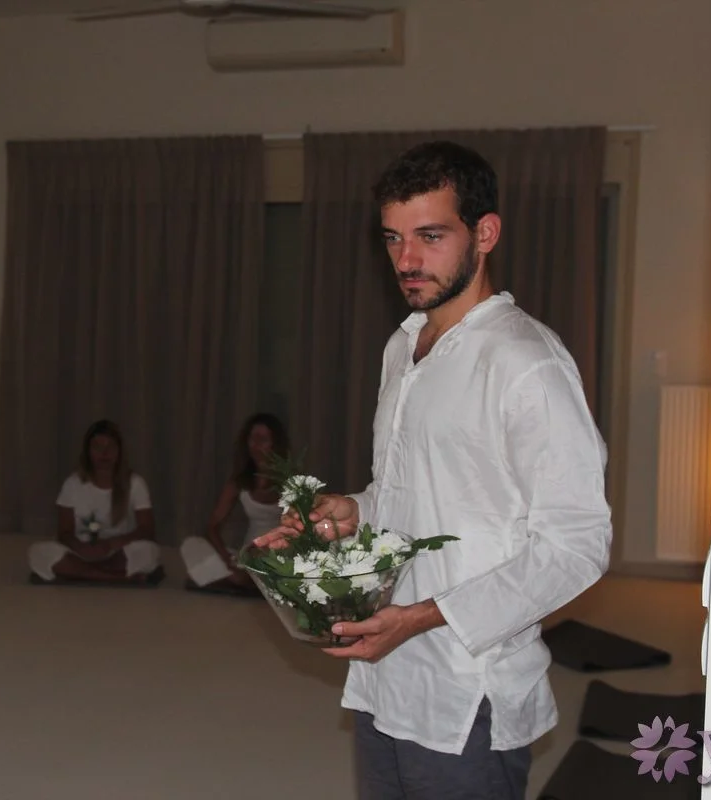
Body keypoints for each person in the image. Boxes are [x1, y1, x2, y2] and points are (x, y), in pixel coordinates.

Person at [256, 141, 612, 799]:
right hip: (386, 673)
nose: (407, 260)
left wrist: (422, 616)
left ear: (485, 233)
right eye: (393, 238)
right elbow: (414, 489)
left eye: (430, 236)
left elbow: (577, 544)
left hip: (468, 688)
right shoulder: (404, 345)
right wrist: (355, 509)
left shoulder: (525, 361)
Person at [28, 419, 163, 584]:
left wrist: (111, 544)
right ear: (88, 452)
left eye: (110, 447)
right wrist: (81, 548)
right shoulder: (73, 483)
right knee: (38, 552)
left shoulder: (135, 483)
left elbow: (147, 530)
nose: (104, 453)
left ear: (119, 451)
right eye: (97, 447)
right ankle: (114, 577)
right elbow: (64, 532)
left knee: (149, 552)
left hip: (119, 551)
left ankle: (83, 573)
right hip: (81, 552)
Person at [180, 412, 289, 595]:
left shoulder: (289, 480)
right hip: (247, 556)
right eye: (252, 439)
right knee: (191, 545)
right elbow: (212, 527)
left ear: (275, 444)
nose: (256, 445)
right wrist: (227, 560)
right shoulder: (239, 481)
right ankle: (244, 581)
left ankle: (241, 582)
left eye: (263, 439)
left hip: (279, 555)